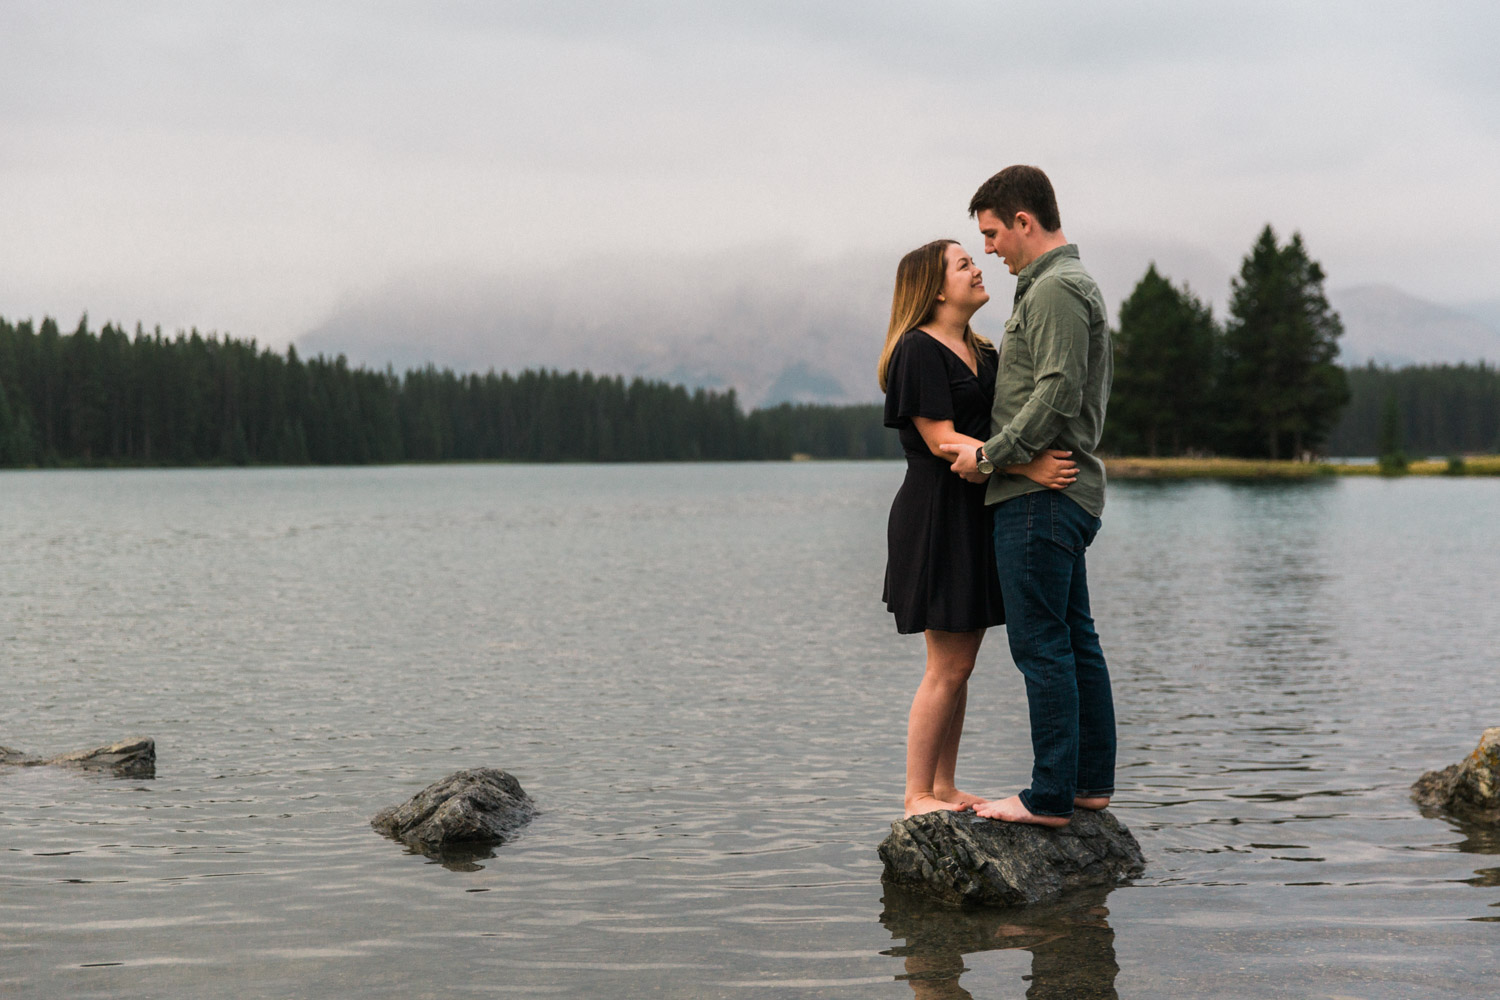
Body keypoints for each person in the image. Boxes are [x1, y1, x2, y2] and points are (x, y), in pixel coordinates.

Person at [941, 166, 1116, 827]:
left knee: (1042, 644)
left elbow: (1057, 392)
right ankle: (1087, 786)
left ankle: (1049, 797)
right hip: (1056, 494)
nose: (989, 249)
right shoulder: (1059, 287)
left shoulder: (1056, 290)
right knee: (1073, 640)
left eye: (991, 233)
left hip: (1040, 499)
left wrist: (990, 456)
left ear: (1023, 221)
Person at [879, 238, 1078, 819]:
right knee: (947, 664)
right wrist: (1027, 465)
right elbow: (943, 439)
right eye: (964, 263)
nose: (979, 267)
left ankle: (944, 787)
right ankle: (917, 795)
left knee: (960, 662)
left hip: (976, 510)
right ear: (936, 288)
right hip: (936, 514)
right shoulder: (917, 349)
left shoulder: (982, 350)